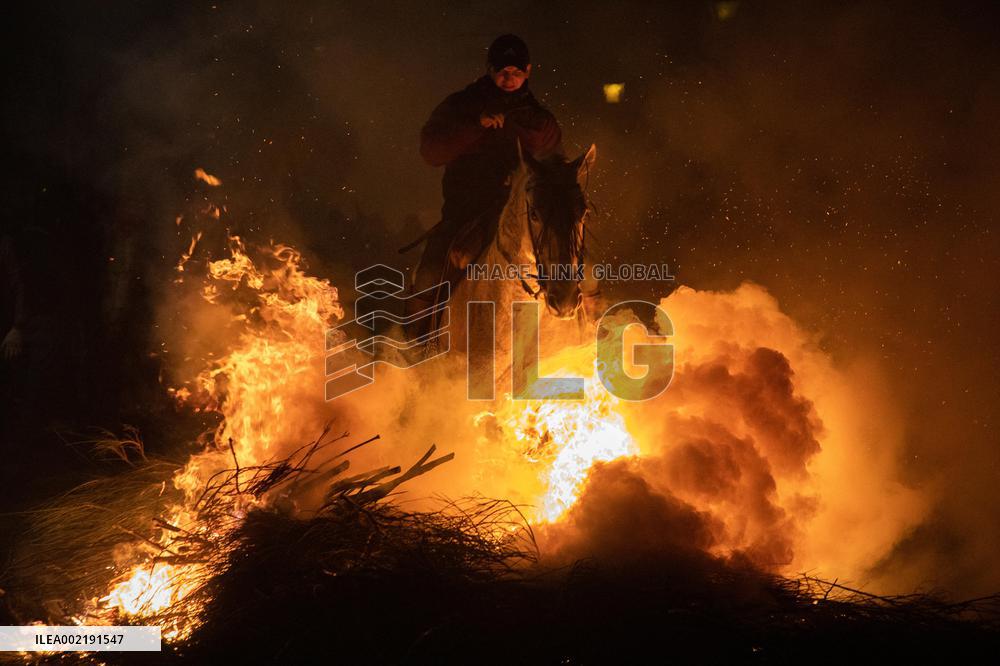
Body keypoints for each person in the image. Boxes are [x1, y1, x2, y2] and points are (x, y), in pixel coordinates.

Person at [407, 34, 563, 322]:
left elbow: (553, 160)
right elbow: (431, 151)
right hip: (467, 213)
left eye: (516, 72)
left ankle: (591, 328)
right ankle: (416, 349)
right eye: (503, 72)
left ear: (527, 71)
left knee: (581, 271)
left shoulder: (537, 118)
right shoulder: (462, 105)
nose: (509, 78)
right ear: (490, 70)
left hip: (526, 217)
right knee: (429, 275)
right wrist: (475, 125)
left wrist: (519, 133)